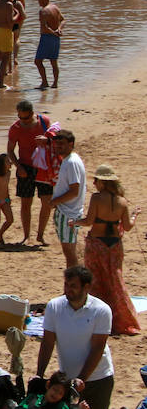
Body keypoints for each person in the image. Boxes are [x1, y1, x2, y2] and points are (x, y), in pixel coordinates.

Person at [35, 265, 114, 409]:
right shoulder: (54, 306)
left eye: (73, 286)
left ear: (87, 287)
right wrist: (39, 375)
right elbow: (47, 343)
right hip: (67, 382)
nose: (68, 289)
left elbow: (97, 348)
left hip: (98, 379)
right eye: (66, 284)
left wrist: (81, 379)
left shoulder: (101, 311)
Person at [75, 165, 141, 335]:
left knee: (96, 280)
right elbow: (127, 226)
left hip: (97, 244)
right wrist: (134, 215)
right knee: (115, 282)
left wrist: (75, 222)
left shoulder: (96, 198)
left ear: (103, 182)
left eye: (96, 180)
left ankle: (97, 319)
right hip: (114, 245)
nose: (94, 183)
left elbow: (89, 221)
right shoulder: (122, 201)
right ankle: (123, 320)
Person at [7, 101, 55, 246]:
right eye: (20, 118)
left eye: (26, 118)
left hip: (43, 167)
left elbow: (56, 141)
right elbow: (10, 150)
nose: (23, 121)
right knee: (26, 203)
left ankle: (40, 235)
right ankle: (26, 236)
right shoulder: (15, 128)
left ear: (32, 113)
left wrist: (48, 140)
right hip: (25, 168)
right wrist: (18, 167)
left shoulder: (44, 121)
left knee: (46, 202)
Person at [50, 130, 86, 267]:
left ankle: (75, 283)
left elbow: (74, 191)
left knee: (69, 253)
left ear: (71, 144)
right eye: (56, 144)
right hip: (69, 211)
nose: (58, 147)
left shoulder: (71, 162)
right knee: (70, 251)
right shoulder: (70, 160)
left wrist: (54, 202)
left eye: (62, 144)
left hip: (68, 212)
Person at [34, 0, 65, 90]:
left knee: (38, 61)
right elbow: (63, 20)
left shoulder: (43, 11)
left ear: (44, 0)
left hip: (47, 37)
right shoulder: (55, 7)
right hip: (56, 38)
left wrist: (53, 33)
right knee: (54, 61)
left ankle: (44, 82)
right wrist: (59, 29)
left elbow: (44, 27)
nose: (38, 2)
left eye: (39, 0)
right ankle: (55, 83)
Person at [0, 154, 15, 248]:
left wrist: (8, 197)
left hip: (5, 200)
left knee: (10, 219)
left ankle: (0, 234)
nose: (10, 163)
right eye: (7, 161)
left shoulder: (8, 173)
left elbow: (6, 187)